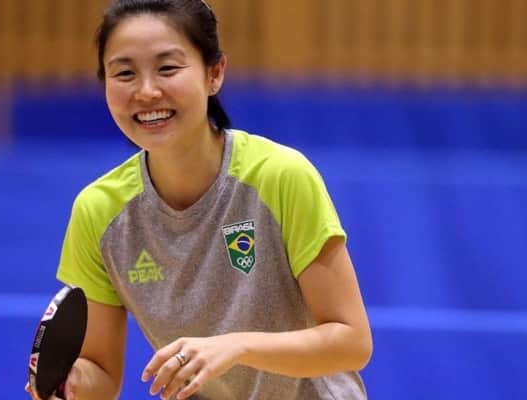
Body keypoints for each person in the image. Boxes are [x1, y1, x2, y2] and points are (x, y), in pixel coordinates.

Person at [26, 0, 372, 398]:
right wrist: (69, 386)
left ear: (214, 73)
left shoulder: (280, 176)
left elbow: (352, 342)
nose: (147, 91)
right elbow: (101, 375)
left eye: (167, 68)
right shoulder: (99, 211)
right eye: (124, 73)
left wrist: (238, 347)